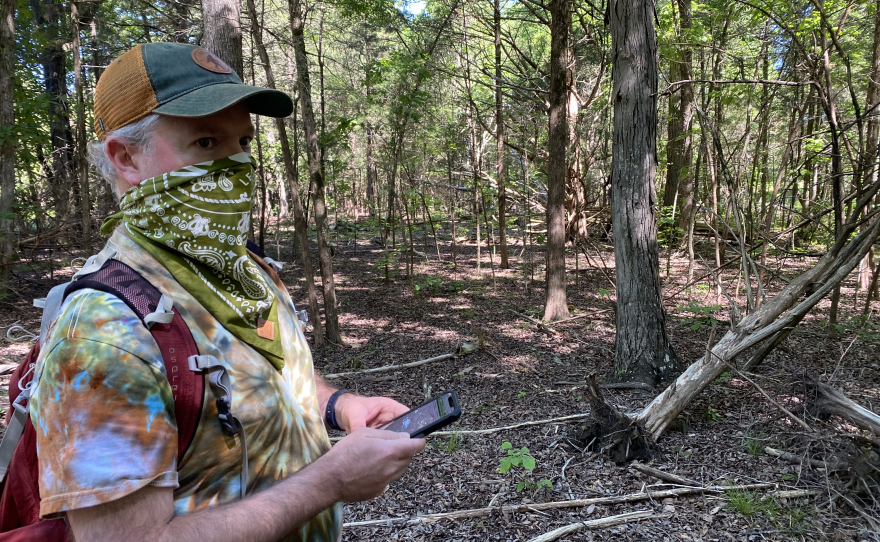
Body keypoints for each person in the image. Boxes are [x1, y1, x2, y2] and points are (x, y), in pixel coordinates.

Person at [28, 42, 425, 542]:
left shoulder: (246, 266)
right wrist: (328, 483)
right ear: (126, 157)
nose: (237, 164)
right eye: (207, 144)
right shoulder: (105, 331)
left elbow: (270, 378)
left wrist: (340, 406)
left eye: (242, 141)